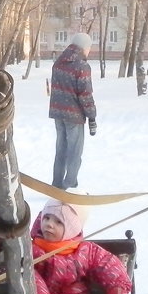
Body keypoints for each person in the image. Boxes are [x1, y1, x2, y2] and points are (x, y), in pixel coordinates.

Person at [31, 197, 131, 294]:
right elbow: (29, 275)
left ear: (71, 229)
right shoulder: (31, 249)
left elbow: (108, 263)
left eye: (59, 222)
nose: (49, 224)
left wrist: (117, 287)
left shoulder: (85, 250)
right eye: (46, 218)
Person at [49, 32, 97, 190]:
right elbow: (85, 94)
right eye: (89, 48)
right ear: (84, 47)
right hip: (74, 116)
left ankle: (56, 183)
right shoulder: (82, 66)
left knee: (60, 149)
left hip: (58, 113)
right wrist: (92, 116)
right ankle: (69, 184)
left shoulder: (58, 62)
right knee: (75, 152)